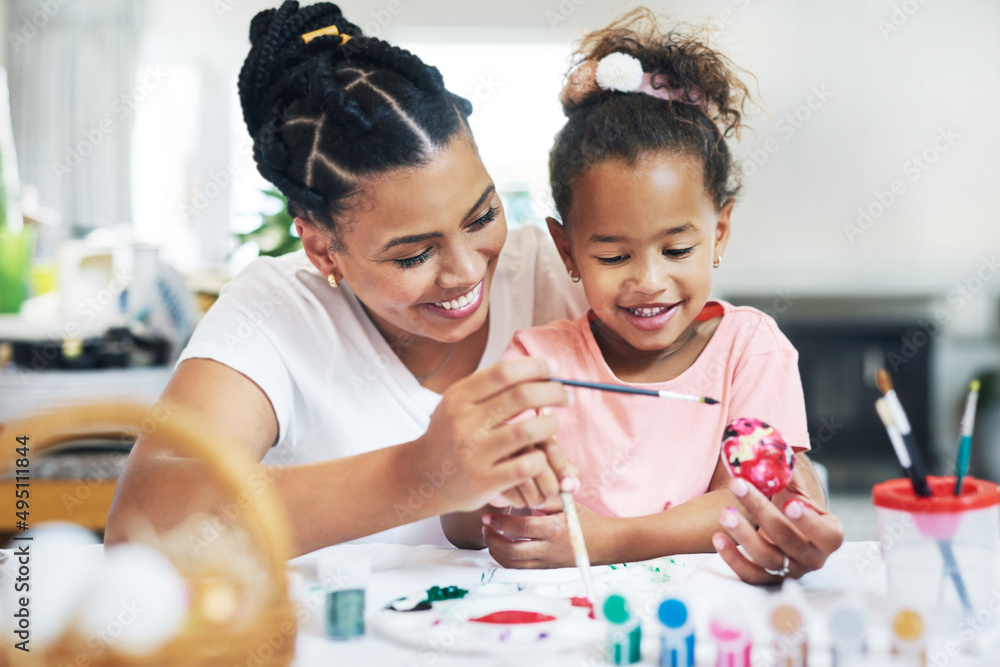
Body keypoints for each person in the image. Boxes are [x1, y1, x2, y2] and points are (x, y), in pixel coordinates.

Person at [107, 2, 842, 583]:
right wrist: (419, 474)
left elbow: (749, 434)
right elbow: (147, 525)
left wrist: (789, 512)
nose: (466, 271)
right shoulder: (276, 311)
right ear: (321, 245)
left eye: (483, 214)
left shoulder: (570, 269)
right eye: (414, 252)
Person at [442, 9, 844, 582]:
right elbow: (464, 528)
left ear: (719, 234)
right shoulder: (537, 361)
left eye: (676, 250)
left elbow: (754, 503)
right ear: (567, 251)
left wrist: (609, 538)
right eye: (612, 256)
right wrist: (480, 482)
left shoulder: (750, 348)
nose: (649, 281)